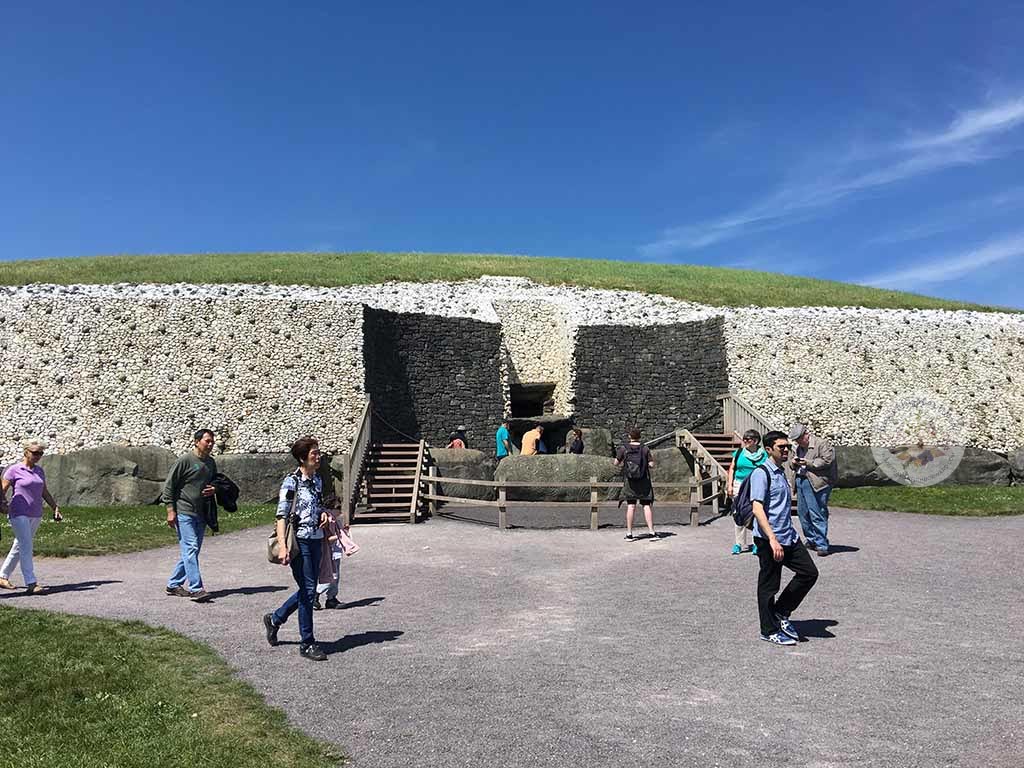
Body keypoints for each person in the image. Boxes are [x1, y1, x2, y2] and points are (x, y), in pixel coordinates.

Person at [750, 430, 819, 646]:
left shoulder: (781, 471)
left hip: (788, 535)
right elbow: (757, 508)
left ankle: (781, 612)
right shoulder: (762, 473)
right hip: (769, 539)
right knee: (769, 586)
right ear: (768, 449)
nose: (786, 450)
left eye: (787, 446)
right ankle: (768, 630)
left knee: (809, 573)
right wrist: (771, 539)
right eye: (781, 447)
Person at [263, 436, 329, 661]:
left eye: (318, 452)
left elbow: (317, 505)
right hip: (298, 541)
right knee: (309, 590)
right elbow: (281, 516)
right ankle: (307, 642)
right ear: (302, 458)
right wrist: (283, 547)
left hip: (316, 538)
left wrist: (322, 514)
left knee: (308, 590)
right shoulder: (291, 482)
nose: (318, 456)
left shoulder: (317, 480)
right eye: (314, 453)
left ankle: (275, 619)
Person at [0, 438, 62, 594]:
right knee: (26, 545)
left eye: (41, 453)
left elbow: (44, 491)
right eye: (35, 453)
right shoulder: (13, 470)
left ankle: (2, 576)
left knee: (19, 545)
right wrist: (2, 504)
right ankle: (31, 582)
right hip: (18, 511)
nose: (38, 456)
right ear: (26, 452)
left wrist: (55, 507)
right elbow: (2, 490)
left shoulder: (39, 471)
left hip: (36, 513)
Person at [163, 429, 217, 602]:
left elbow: (216, 480)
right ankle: (196, 588)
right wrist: (170, 510)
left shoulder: (210, 463)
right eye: (207, 441)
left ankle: (173, 584)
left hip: (201, 512)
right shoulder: (185, 460)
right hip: (184, 510)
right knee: (191, 548)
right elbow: (169, 486)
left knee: (191, 550)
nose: (210, 444)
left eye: (212, 441)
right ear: (196, 442)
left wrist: (215, 488)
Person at [789, 423, 837, 557]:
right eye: (796, 440)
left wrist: (808, 463)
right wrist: (793, 463)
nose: (797, 442)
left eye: (799, 438)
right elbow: (790, 464)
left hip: (817, 482)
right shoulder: (797, 448)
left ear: (806, 434)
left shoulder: (822, 444)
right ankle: (811, 540)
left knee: (817, 512)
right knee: (802, 513)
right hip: (800, 480)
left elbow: (827, 461)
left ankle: (822, 544)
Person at [726, 430, 768, 555]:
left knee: (756, 512)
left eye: (748, 439)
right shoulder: (739, 453)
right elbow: (732, 469)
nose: (744, 441)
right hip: (739, 484)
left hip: (756, 484)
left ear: (755, 441)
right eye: (744, 439)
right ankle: (739, 543)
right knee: (738, 512)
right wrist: (730, 485)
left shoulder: (764, 454)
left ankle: (756, 542)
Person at [614, 428, 657, 540]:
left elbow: (616, 463)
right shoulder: (645, 448)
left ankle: (629, 534)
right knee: (646, 506)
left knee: (631, 506)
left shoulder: (624, 448)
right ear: (640, 436)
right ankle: (652, 532)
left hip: (630, 481)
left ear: (630, 436)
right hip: (644, 480)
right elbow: (652, 464)